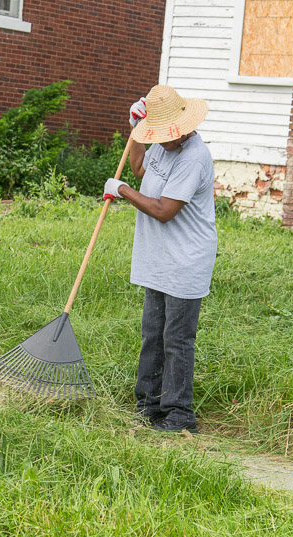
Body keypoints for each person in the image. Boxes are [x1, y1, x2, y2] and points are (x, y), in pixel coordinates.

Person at [103, 85, 217, 434]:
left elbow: (165, 210)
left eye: (164, 135)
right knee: (152, 335)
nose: (162, 140)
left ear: (183, 127)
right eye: (156, 134)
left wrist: (120, 190)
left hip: (186, 260)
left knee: (176, 339)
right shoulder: (162, 144)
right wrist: (136, 129)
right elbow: (139, 168)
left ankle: (179, 414)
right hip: (158, 259)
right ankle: (149, 405)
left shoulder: (194, 157)